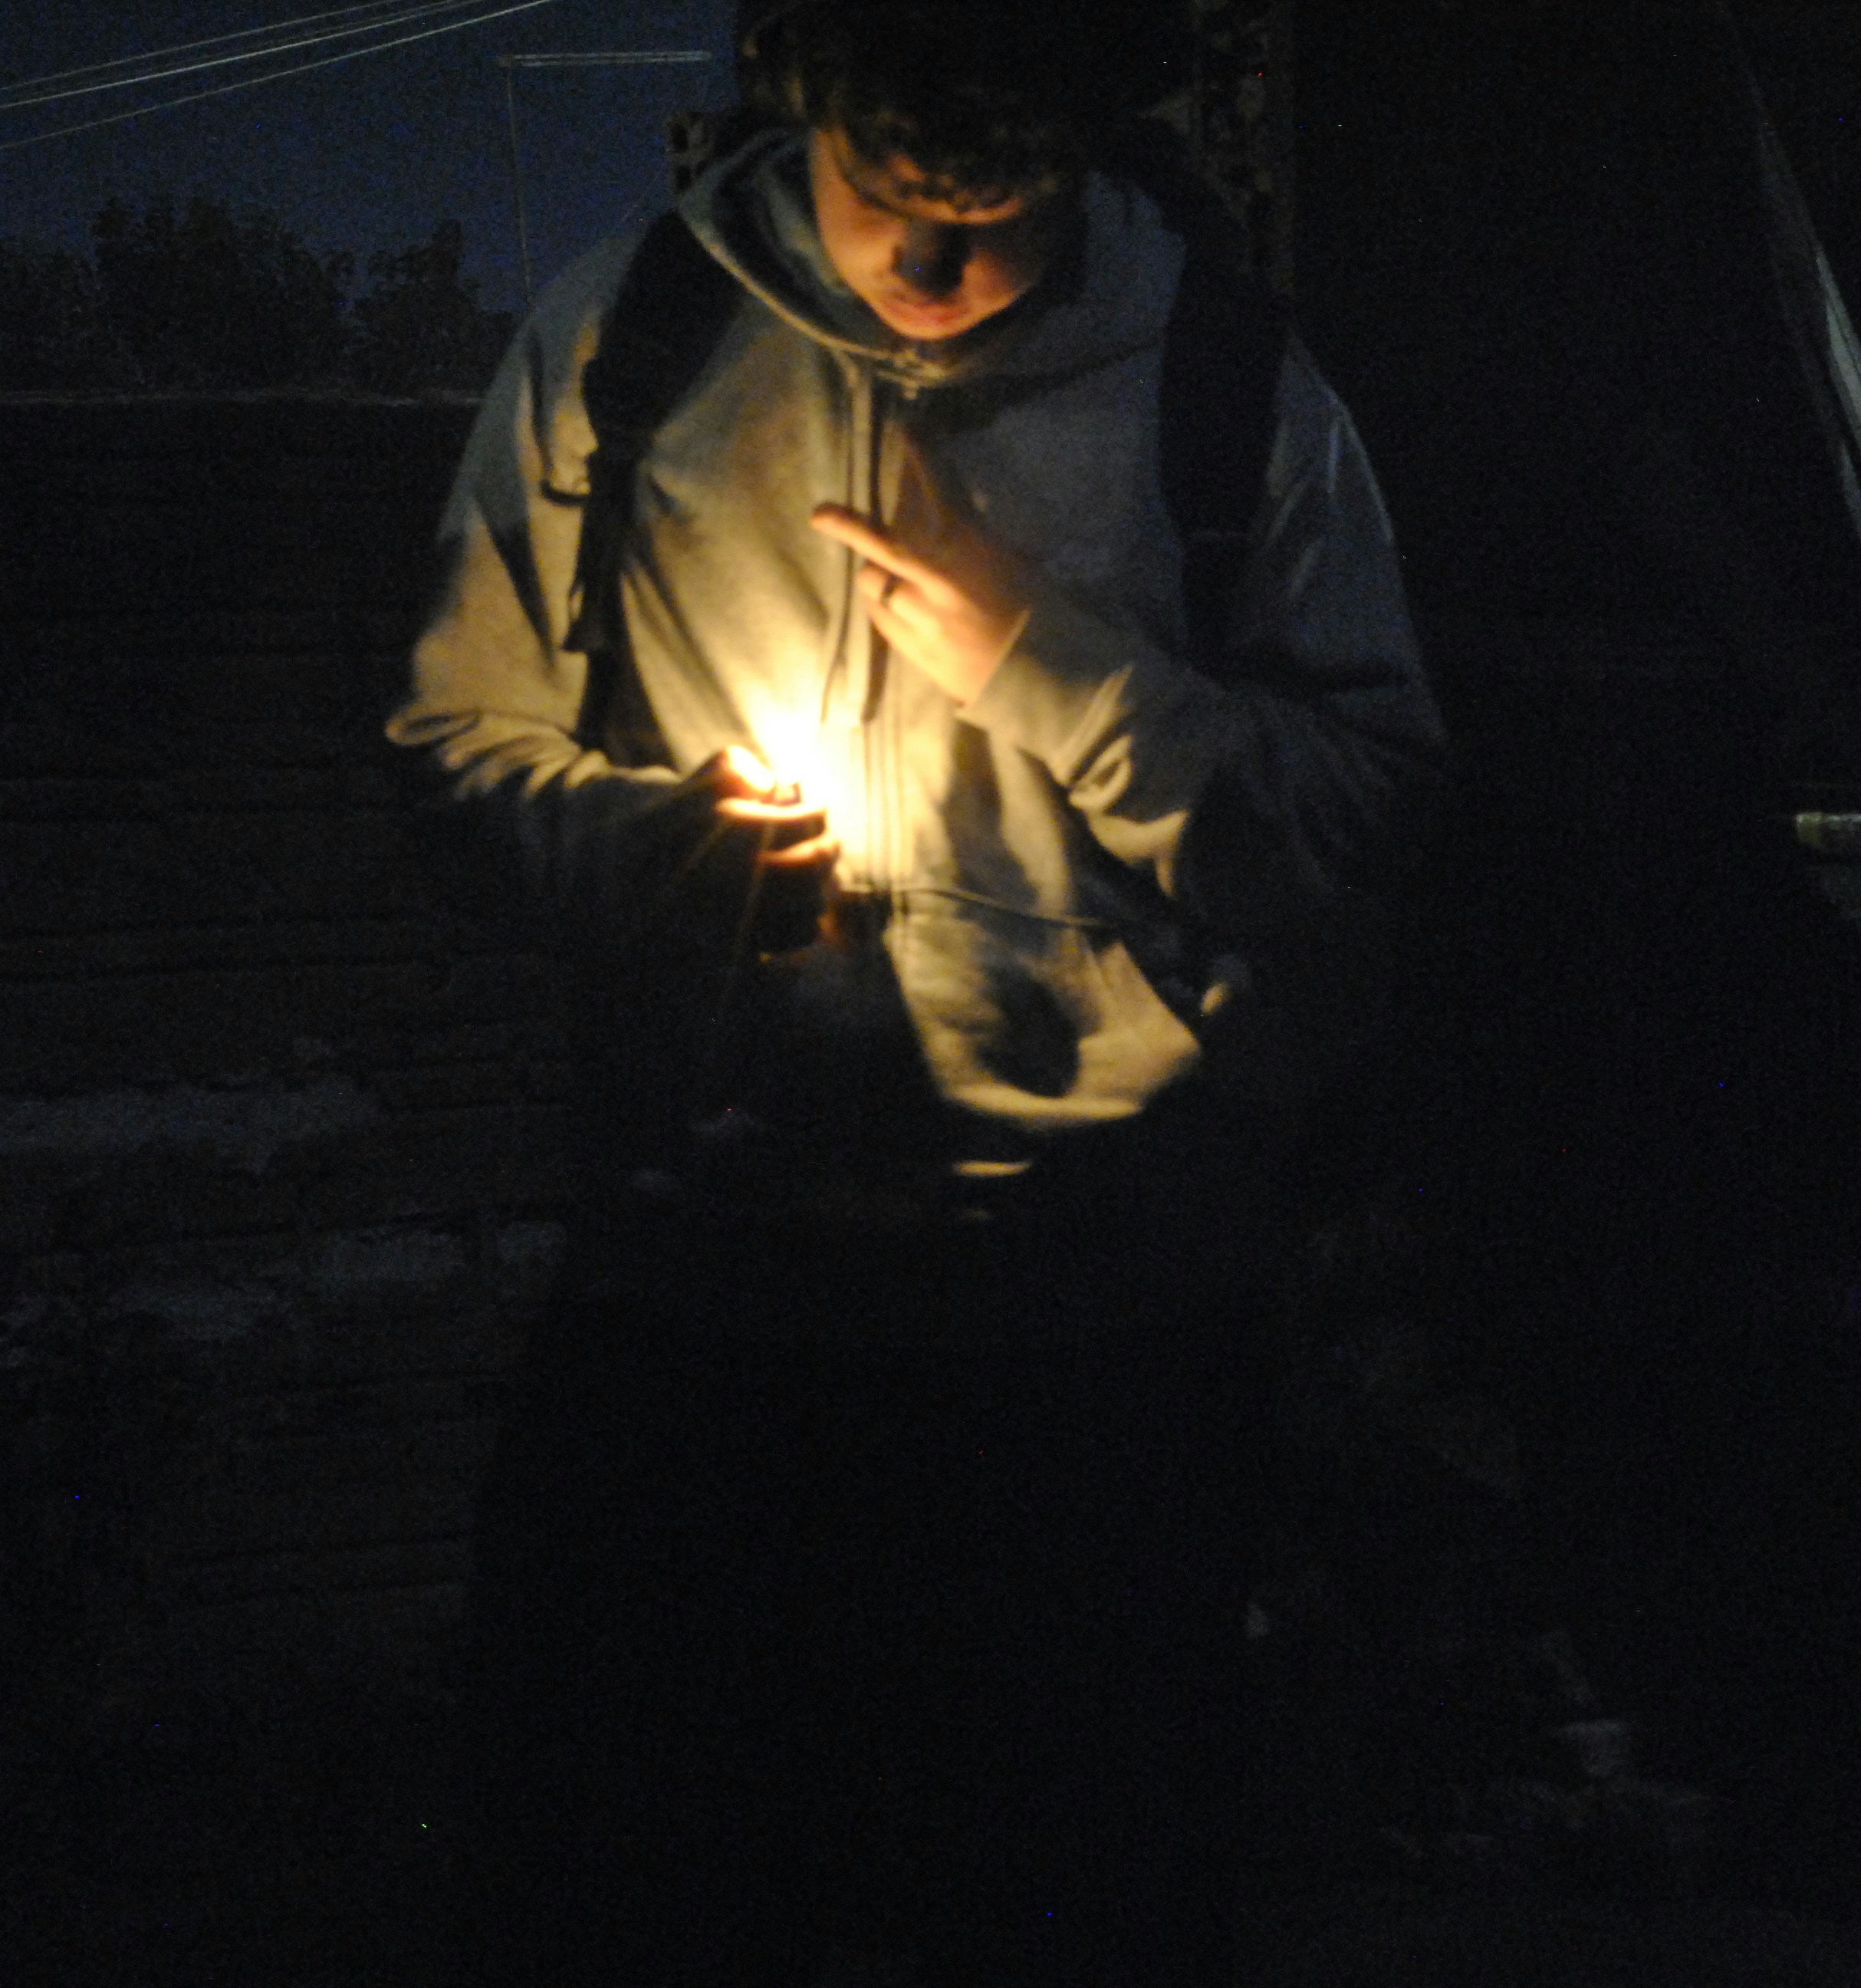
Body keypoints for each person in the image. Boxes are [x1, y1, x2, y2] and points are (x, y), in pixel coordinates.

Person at [386, 1, 1445, 1980]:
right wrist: (654, 857)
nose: (939, 270)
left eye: (1007, 209)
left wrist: (1041, 653)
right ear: (803, 111)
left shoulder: (1229, 390)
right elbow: (455, 742)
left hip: (1104, 1342)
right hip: (700, 1297)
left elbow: (1369, 817)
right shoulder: (629, 345)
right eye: (892, 200)